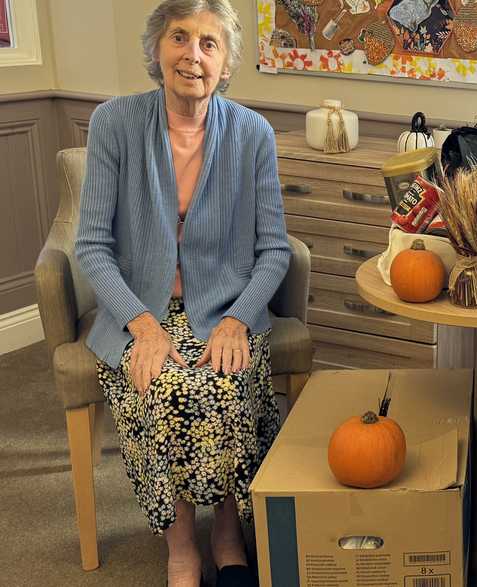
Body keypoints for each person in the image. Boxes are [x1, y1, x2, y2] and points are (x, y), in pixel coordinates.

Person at [75, 1, 289, 585]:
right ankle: (180, 546)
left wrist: (238, 320)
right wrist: (141, 326)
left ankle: (226, 532)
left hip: (226, 309)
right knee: (162, 386)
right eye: (179, 37)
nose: (192, 54)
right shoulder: (114, 124)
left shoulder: (253, 134)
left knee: (224, 382)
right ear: (157, 49)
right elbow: (91, 246)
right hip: (137, 309)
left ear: (225, 65)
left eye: (209, 43)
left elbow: (275, 251)